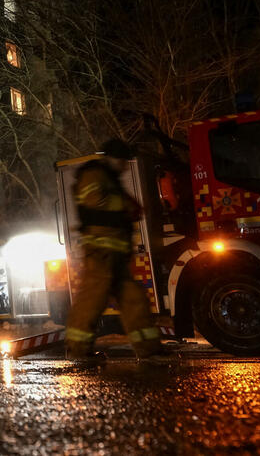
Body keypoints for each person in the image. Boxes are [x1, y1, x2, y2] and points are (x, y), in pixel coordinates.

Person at [65, 138, 164, 361]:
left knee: (134, 300)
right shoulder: (93, 174)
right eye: (122, 161)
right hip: (101, 251)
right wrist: (127, 207)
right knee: (92, 300)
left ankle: (149, 350)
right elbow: (93, 200)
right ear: (112, 158)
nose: (125, 166)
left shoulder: (109, 177)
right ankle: (77, 350)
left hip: (115, 253)